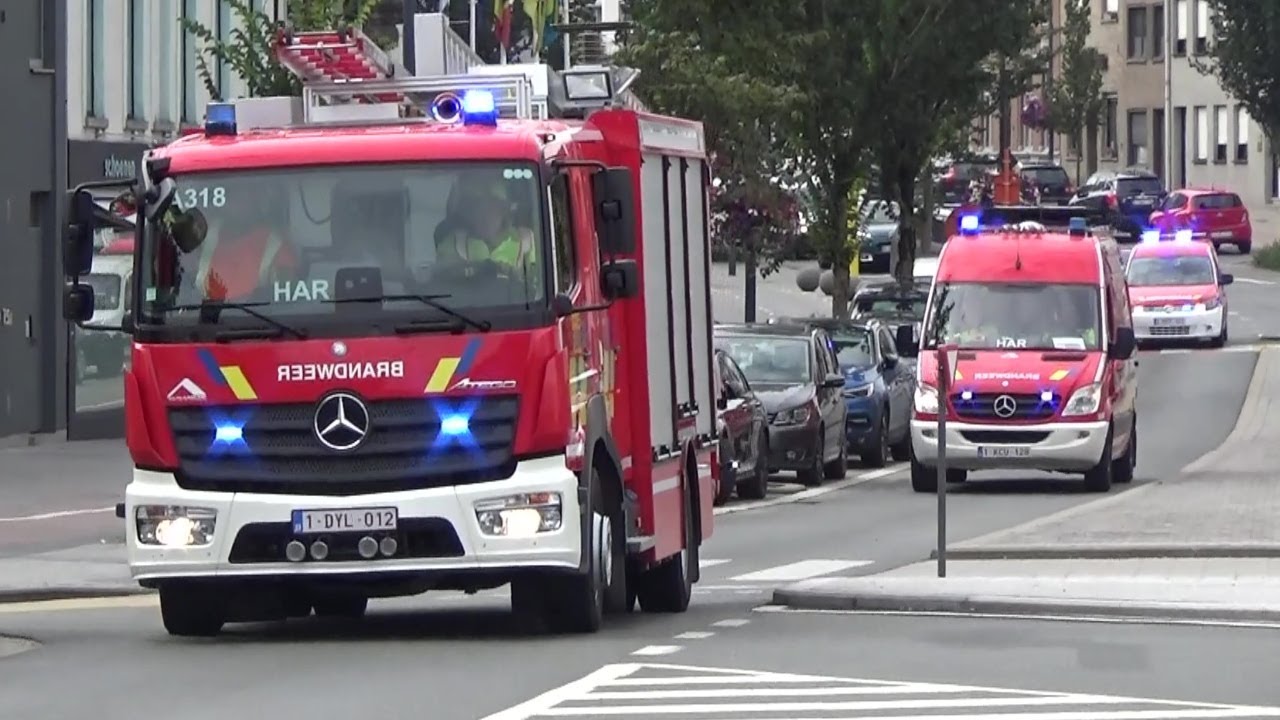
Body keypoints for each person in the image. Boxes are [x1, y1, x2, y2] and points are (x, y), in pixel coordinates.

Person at [198, 184, 299, 302]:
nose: (236, 201)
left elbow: (288, 293)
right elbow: (183, 278)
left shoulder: (275, 243)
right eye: (230, 193)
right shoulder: (205, 233)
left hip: (255, 318)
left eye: (243, 194)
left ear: (256, 199)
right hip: (201, 318)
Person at [436, 174, 538, 279]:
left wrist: (513, 275)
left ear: (504, 211)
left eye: (491, 209)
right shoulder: (451, 245)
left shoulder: (526, 242)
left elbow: (537, 286)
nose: (483, 216)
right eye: (478, 208)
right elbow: (445, 284)